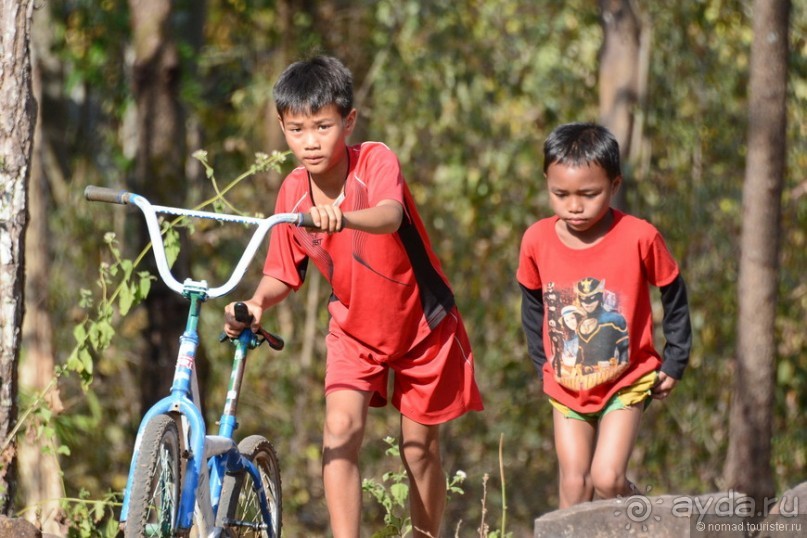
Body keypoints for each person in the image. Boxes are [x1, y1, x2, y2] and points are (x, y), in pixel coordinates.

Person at [223, 55, 484, 537]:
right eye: (297, 129)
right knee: (339, 435)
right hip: (353, 331)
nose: (310, 141)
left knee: (419, 451)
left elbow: (389, 214)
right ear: (281, 128)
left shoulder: (375, 161)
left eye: (322, 126)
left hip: (421, 326)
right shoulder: (292, 190)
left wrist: (342, 218)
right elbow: (282, 271)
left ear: (349, 121)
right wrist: (258, 302)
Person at [516, 122, 691, 508]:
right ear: (547, 183)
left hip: (626, 378)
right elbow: (532, 304)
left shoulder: (639, 236)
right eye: (560, 194)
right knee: (574, 485)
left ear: (614, 185)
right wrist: (543, 363)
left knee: (607, 478)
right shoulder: (536, 240)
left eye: (589, 194)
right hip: (566, 385)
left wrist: (675, 359)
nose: (574, 206)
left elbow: (673, 292)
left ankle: (650, 518)